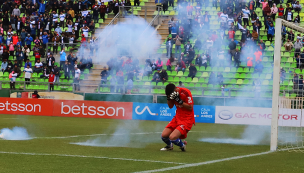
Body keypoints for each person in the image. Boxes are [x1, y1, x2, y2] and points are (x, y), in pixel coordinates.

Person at [161, 83, 195, 151]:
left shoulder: (185, 92)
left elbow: (190, 107)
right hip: (177, 117)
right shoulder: (172, 94)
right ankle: (170, 146)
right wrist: (168, 98)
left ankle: (182, 145)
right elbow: (170, 106)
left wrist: (179, 101)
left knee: (172, 137)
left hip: (187, 118)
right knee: (164, 136)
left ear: (176, 89)